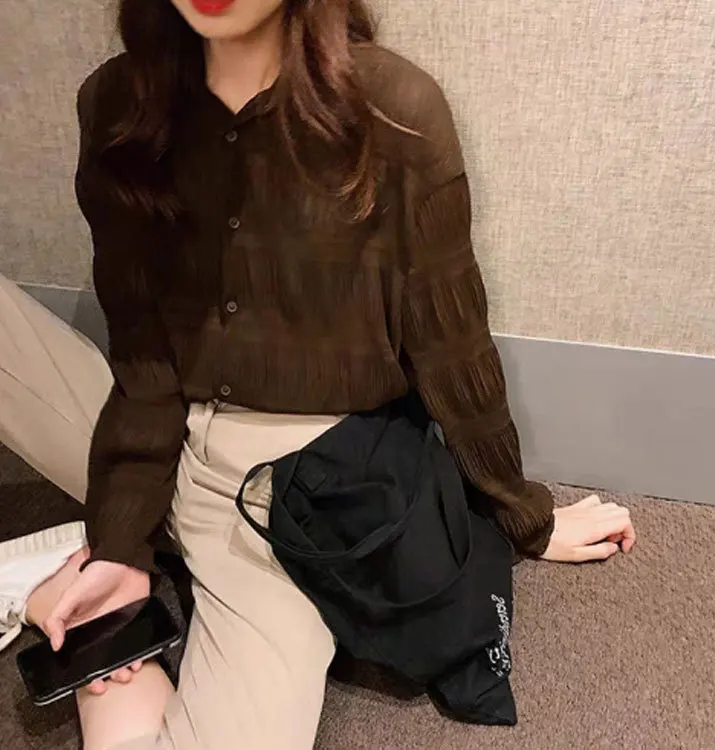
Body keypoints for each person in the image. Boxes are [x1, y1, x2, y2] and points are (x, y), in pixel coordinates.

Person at [0, 1, 636, 748]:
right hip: (146, 429)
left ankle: (70, 590)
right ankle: (79, 575)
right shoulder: (118, 104)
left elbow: (450, 346)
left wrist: (523, 517)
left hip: (287, 501)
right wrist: (118, 539)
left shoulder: (396, 113)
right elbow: (143, 360)